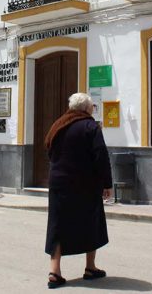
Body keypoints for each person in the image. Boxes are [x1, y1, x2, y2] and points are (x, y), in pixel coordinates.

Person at [44, 92, 113, 289]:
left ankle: (54, 271)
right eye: (92, 106)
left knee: (57, 225)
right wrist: (107, 184)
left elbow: (49, 149)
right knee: (91, 222)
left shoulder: (58, 125)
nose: (93, 109)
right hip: (85, 183)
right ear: (85, 108)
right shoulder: (90, 126)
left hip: (58, 183)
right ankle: (90, 268)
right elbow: (101, 156)